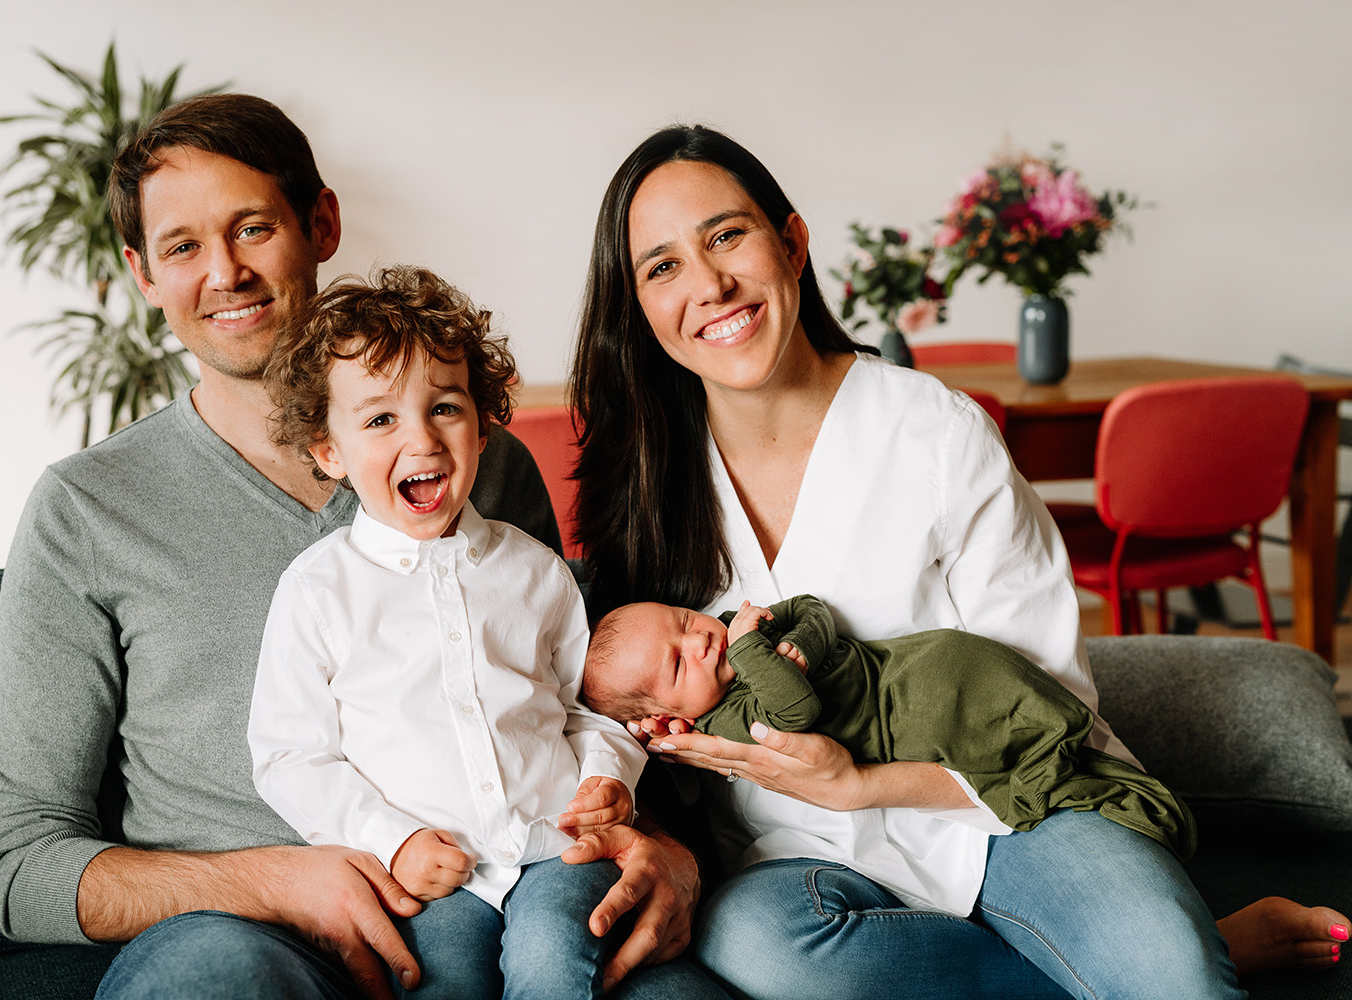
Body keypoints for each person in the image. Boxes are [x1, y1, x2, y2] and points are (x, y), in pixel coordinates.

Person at [568, 122, 1348, 998]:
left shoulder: (935, 432)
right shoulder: (642, 484)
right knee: (763, 952)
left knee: (1178, 981)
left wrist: (862, 784)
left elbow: (1052, 698)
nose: (708, 284)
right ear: (637, 305)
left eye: (726, 235)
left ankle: (1173, 959)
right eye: (662, 266)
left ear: (791, 242)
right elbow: (609, 699)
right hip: (795, 855)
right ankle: (1192, 951)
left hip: (1009, 807)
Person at [0, 94, 710, 1000]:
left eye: (252, 227)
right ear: (143, 273)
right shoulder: (88, 509)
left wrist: (668, 852)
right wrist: (273, 883)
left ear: (321, 223)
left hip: (505, 894)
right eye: (183, 247)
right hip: (244, 937)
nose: (226, 272)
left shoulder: (486, 468)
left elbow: (558, 711)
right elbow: (16, 863)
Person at [248, 265, 649, 998]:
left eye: (444, 407)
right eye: (380, 420)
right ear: (328, 450)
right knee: (435, 982)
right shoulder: (316, 590)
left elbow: (585, 709)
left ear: (484, 423)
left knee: (555, 960)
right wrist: (391, 840)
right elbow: (291, 758)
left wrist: (608, 777)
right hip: (430, 879)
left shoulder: (536, 571)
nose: (422, 439)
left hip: (553, 851)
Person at [583, 595, 1193, 864]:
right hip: (912, 709)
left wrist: (799, 643)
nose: (699, 638)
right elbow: (795, 712)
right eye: (678, 662)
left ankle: (1063, 736)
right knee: (1004, 727)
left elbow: (811, 609)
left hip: (921, 659)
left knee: (1002, 689)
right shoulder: (728, 722)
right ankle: (1060, 752)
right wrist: (754, 649)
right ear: (669, 717)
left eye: (683, 620)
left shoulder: (737, 640)